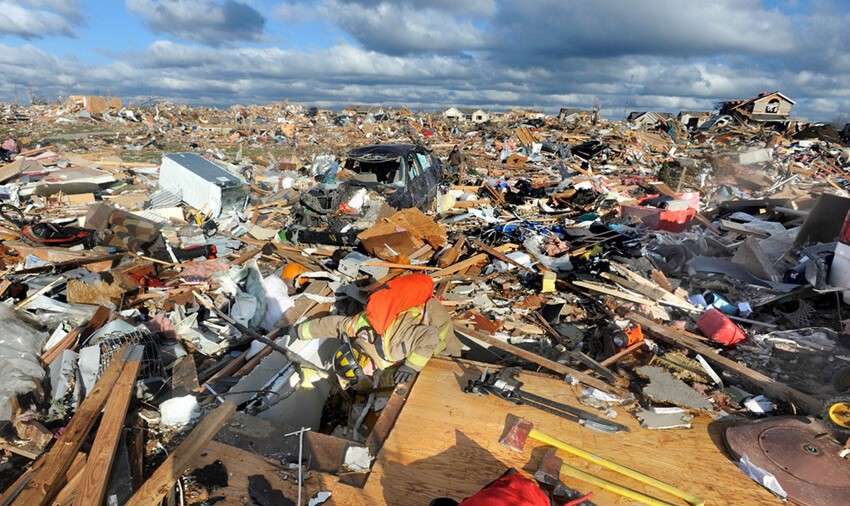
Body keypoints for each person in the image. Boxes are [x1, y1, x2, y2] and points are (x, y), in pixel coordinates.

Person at [295, 274, 462, 386]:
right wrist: (298, 332)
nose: (367, 375)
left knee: (448, 362)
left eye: (364, 373)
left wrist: (412, 366)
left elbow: (430, 336)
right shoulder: (358, 329)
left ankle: (458, 358)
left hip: (436, 321)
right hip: (414, 309)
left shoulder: (394, 350)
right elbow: (334, 325)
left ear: (365, 363)